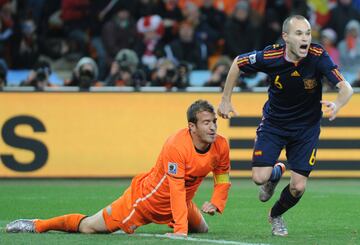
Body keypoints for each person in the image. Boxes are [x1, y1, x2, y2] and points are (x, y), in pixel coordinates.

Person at [6, 100, 231, 237]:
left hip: (178, 204)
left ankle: (178, 223)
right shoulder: (176, 145)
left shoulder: (220, 145)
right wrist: (180, 230)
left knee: (203, 231)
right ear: (192, 126)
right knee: (89, 228)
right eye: (206, 122)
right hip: (144, 202)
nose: (212, 127)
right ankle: (37, 225)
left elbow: (222, 176)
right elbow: (175, 189)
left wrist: (217, 202)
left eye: (214, 122)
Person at [217, 15, 353, 236]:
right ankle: (275, 174)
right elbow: (238, 63)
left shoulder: (318, 56)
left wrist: (338, 103)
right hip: (274, 124)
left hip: (306, 129)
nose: (305, 39)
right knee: (259, 179)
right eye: (299, 33)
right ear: (286, 37)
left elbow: (345, 87)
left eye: (308, 33)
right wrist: (225, 99)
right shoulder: (270, 56)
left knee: (298, 187)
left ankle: (276, 215)